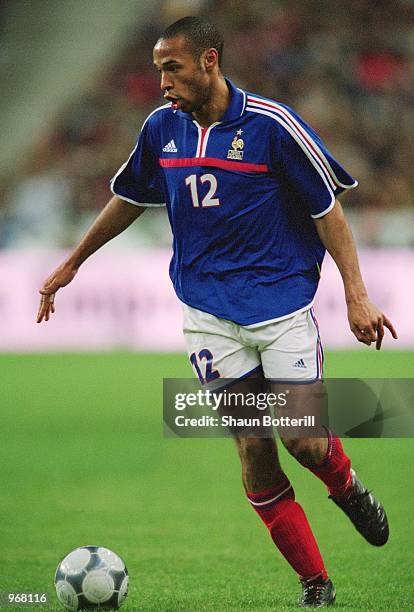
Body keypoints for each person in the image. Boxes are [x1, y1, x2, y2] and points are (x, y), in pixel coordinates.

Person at [37, 16, 397, 608]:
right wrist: (74, 261)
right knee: (255, 449)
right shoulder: (161, 129)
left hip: (281, 306)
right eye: (157, 70)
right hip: (208, 313)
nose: (162, 82)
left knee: (304, 442)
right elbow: (130, 197)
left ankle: (349, 487)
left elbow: (327, 212)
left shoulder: (272, 126)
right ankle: (316, 585)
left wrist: (356, 293)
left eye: (171, 68)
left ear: (208, 61)